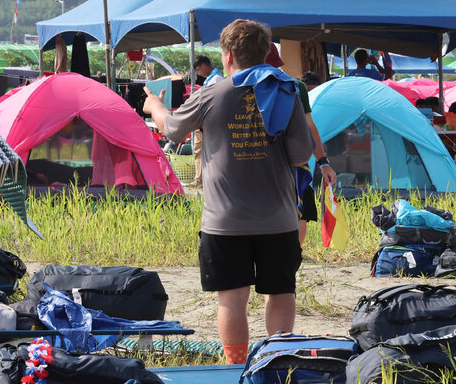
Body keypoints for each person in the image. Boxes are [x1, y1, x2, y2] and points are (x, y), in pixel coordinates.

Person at [143, 19, 313, 366]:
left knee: (232, 300)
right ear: (265, 52)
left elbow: (172, 129)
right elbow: (300, 155)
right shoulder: (287, 92)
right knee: (281, 292)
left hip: (225, 222)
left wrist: (153, 106)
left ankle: (236, 368)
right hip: (278, 219)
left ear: (228, 55)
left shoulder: (211, 94)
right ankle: (276, 364)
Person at [262, 44, 337, 244]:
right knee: (299, 210)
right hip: (294, 162)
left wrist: (324, 163)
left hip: (260, 163)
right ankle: (295, 254)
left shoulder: (240, 87)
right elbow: (310, 128)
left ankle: (290, 254)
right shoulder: (295, 86)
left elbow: (310, 128)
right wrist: (323, 163)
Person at [188, 55, 224, 187]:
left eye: (198, 69)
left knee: (205, 150)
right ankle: (199, 179)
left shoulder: (216, 79)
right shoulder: (212, 79)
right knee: (199, 150)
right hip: (205, 121)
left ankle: (203, 180)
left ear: (203, 65)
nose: (199, 73)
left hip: (209, 122)